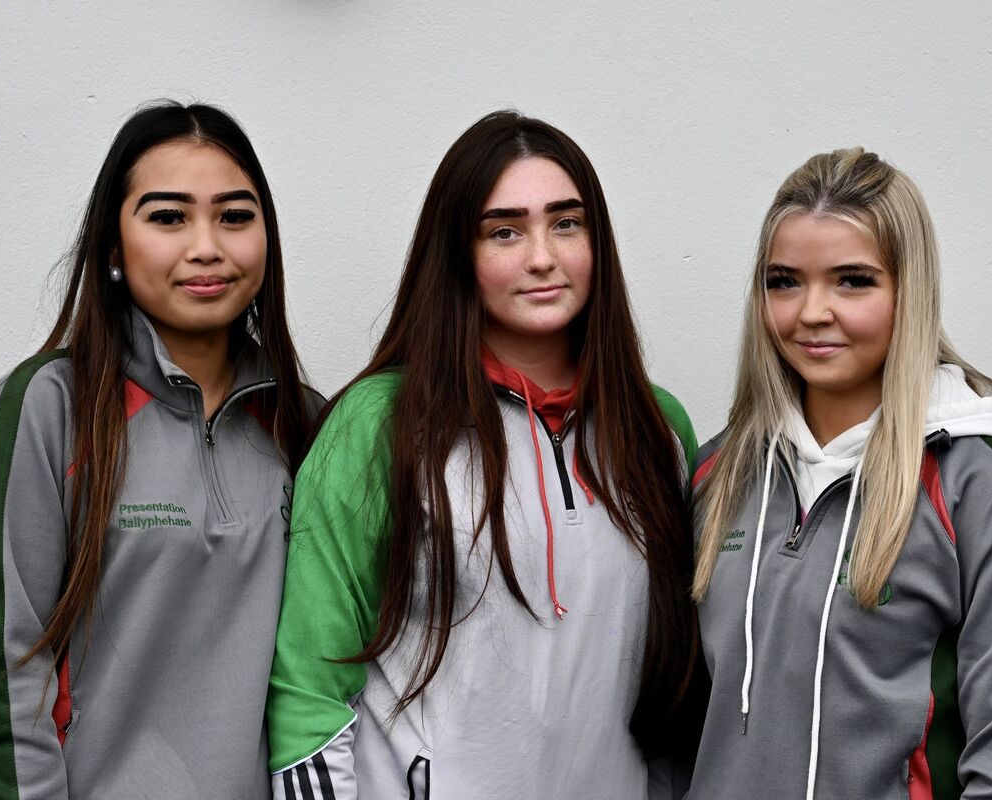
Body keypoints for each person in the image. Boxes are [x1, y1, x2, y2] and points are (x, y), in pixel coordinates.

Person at [267, 110, 702, 799]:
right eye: (505, 231)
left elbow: (676, 684)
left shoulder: (657, 427)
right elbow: (308, 688)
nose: (542, 257)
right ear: (458, 254)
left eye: (566, 223)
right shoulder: (381, 424)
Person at [0, 101, 316, 799]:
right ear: (114, 246)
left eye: (235, 216)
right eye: (168, 216)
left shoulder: (303, 424)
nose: (206, 246)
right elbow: (2, 681)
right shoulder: (46, 410)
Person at [688, 148, 992, 799]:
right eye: (784, 281)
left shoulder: (980, 486)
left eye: (853, 281)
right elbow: (680, 729)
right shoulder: (718, 473)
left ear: (909, 291)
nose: (812, 311)